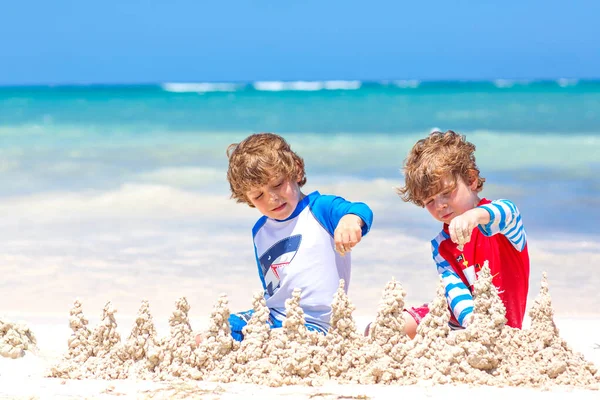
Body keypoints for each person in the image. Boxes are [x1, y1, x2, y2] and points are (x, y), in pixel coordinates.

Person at [198, 132, 373, 343]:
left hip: (318, 321)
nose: (272, 198)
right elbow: (271, 284)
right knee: (222, 329)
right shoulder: (260, 231)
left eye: (278, 184)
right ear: (248, 199)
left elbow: (360, 210)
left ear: (296, 171)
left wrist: (350, 221)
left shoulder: (321, 209)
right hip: (273, 315)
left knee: (284, 340)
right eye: (258, 195)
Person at [390, 130, 529, 338]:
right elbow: (455, 291)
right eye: (429, 201)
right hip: (461, 321)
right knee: (388, 326)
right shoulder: (441, 246)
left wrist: (474, 216)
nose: (441, 205)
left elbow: (508, 211)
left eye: (447, 193)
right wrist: (473, 325)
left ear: (471, 180)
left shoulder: (502, 224)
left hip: (504, 330)